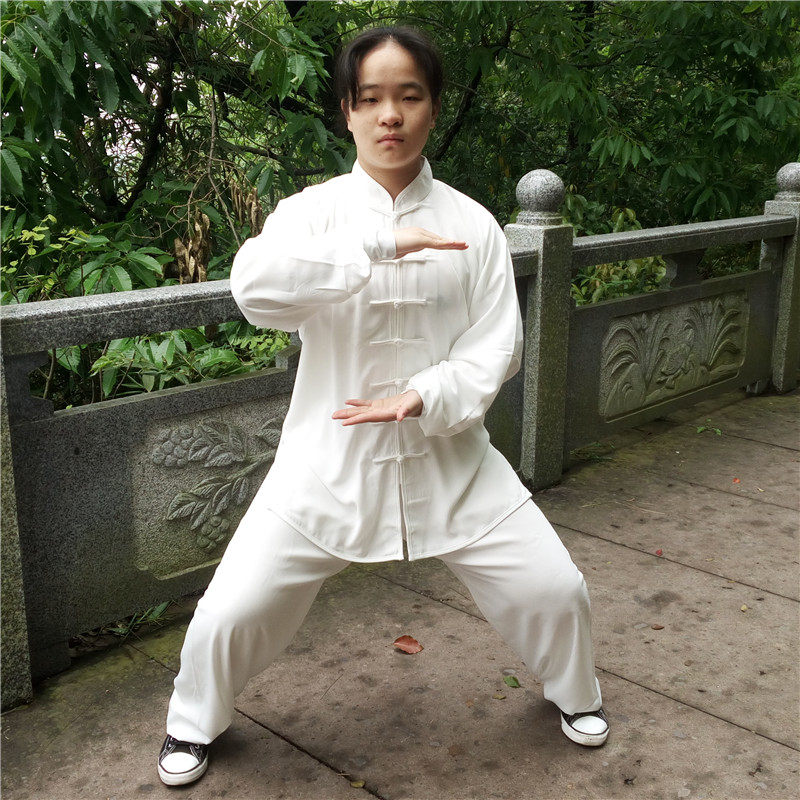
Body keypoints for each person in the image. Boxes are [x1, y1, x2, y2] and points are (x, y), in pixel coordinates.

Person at [157, 24, 608, 788]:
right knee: (231, 612)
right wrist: (372, 246)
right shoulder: (311, 213)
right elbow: (254, 288)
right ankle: (191, 721)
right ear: (347, 110)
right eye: (371, 98)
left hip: (451, 459)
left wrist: (424, 394)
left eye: (409, 96)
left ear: (433, 107)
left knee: (555, 589)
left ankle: (577, 692)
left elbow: (498, 345)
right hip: (325, 462)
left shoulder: (474, 226)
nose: (389, 114)